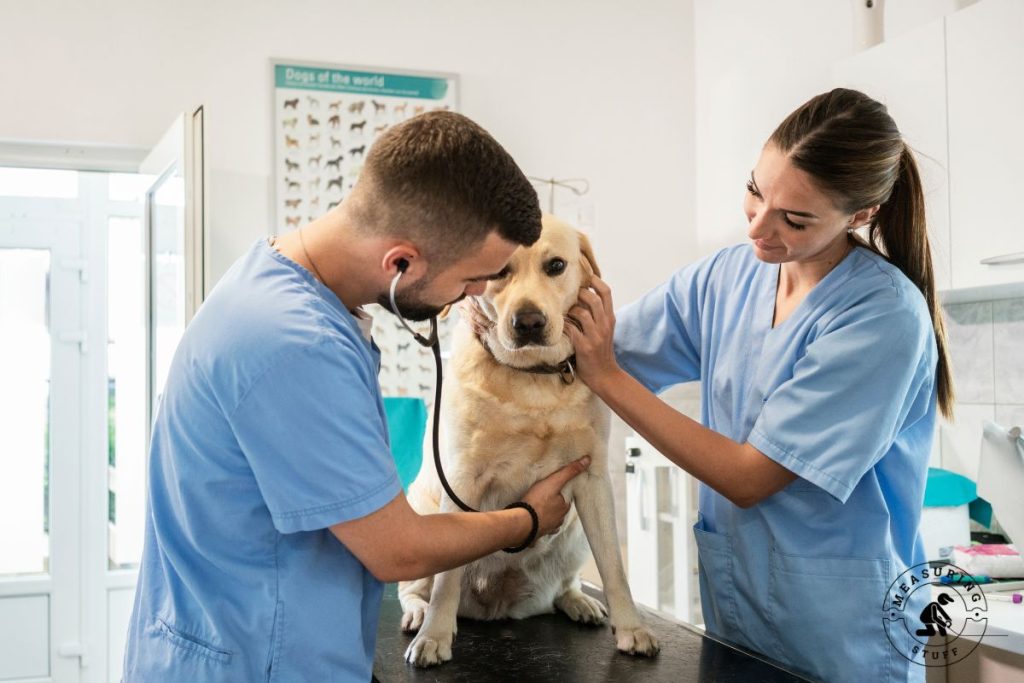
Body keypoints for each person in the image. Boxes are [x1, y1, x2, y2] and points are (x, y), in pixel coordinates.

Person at [122, 111, 591, 682]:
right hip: (257, 664)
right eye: (477, 278)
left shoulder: (275, 284)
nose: (476, 300)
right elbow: (399, 551)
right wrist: (527, 519)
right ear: (400, 262)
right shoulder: (295, 345)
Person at [563, 89, 953, 683]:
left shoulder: (881, 316)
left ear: (860, 215)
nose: (758, 228)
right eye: (755, 192)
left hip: (842, 640)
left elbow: (749, 477)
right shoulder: (727, 276)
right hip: (739, 621)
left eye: (794, 219)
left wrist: (607, 378)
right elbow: (591, 346)